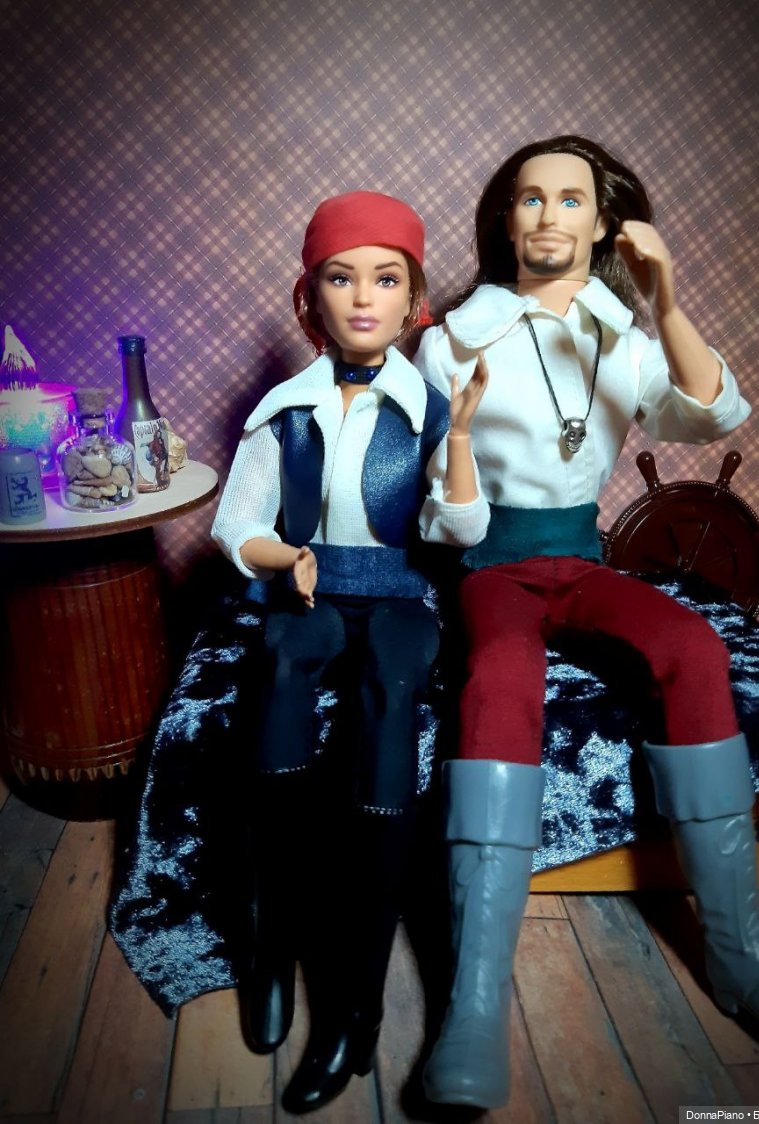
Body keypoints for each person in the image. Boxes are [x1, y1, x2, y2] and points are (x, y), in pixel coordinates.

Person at [414, 135, 759, 1108]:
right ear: (504, 219)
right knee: (499, 675)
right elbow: (441, 505)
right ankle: (474, 1005)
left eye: (570, 198)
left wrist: (666, 300)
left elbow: (710, 414)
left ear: (604, 221)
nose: (547, 215)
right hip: (492, 565)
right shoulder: (452, 338)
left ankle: (739, 954)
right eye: (529, 197)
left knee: (691, 644)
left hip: (584, 559)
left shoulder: (624, 336)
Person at [211, 190, 489, 1114]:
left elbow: (460, 530)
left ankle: (355, 1011)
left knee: (394, 687)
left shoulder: (432, 409)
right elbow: (235, 523)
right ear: (310, 299)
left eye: (386, 278)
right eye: (341, 277)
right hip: (310, 586)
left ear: (415, 301)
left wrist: (461, 440)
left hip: (399, 592)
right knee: (282, 663)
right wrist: (281, 557)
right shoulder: (284, 410)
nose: (363, 297)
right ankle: (271, 957)